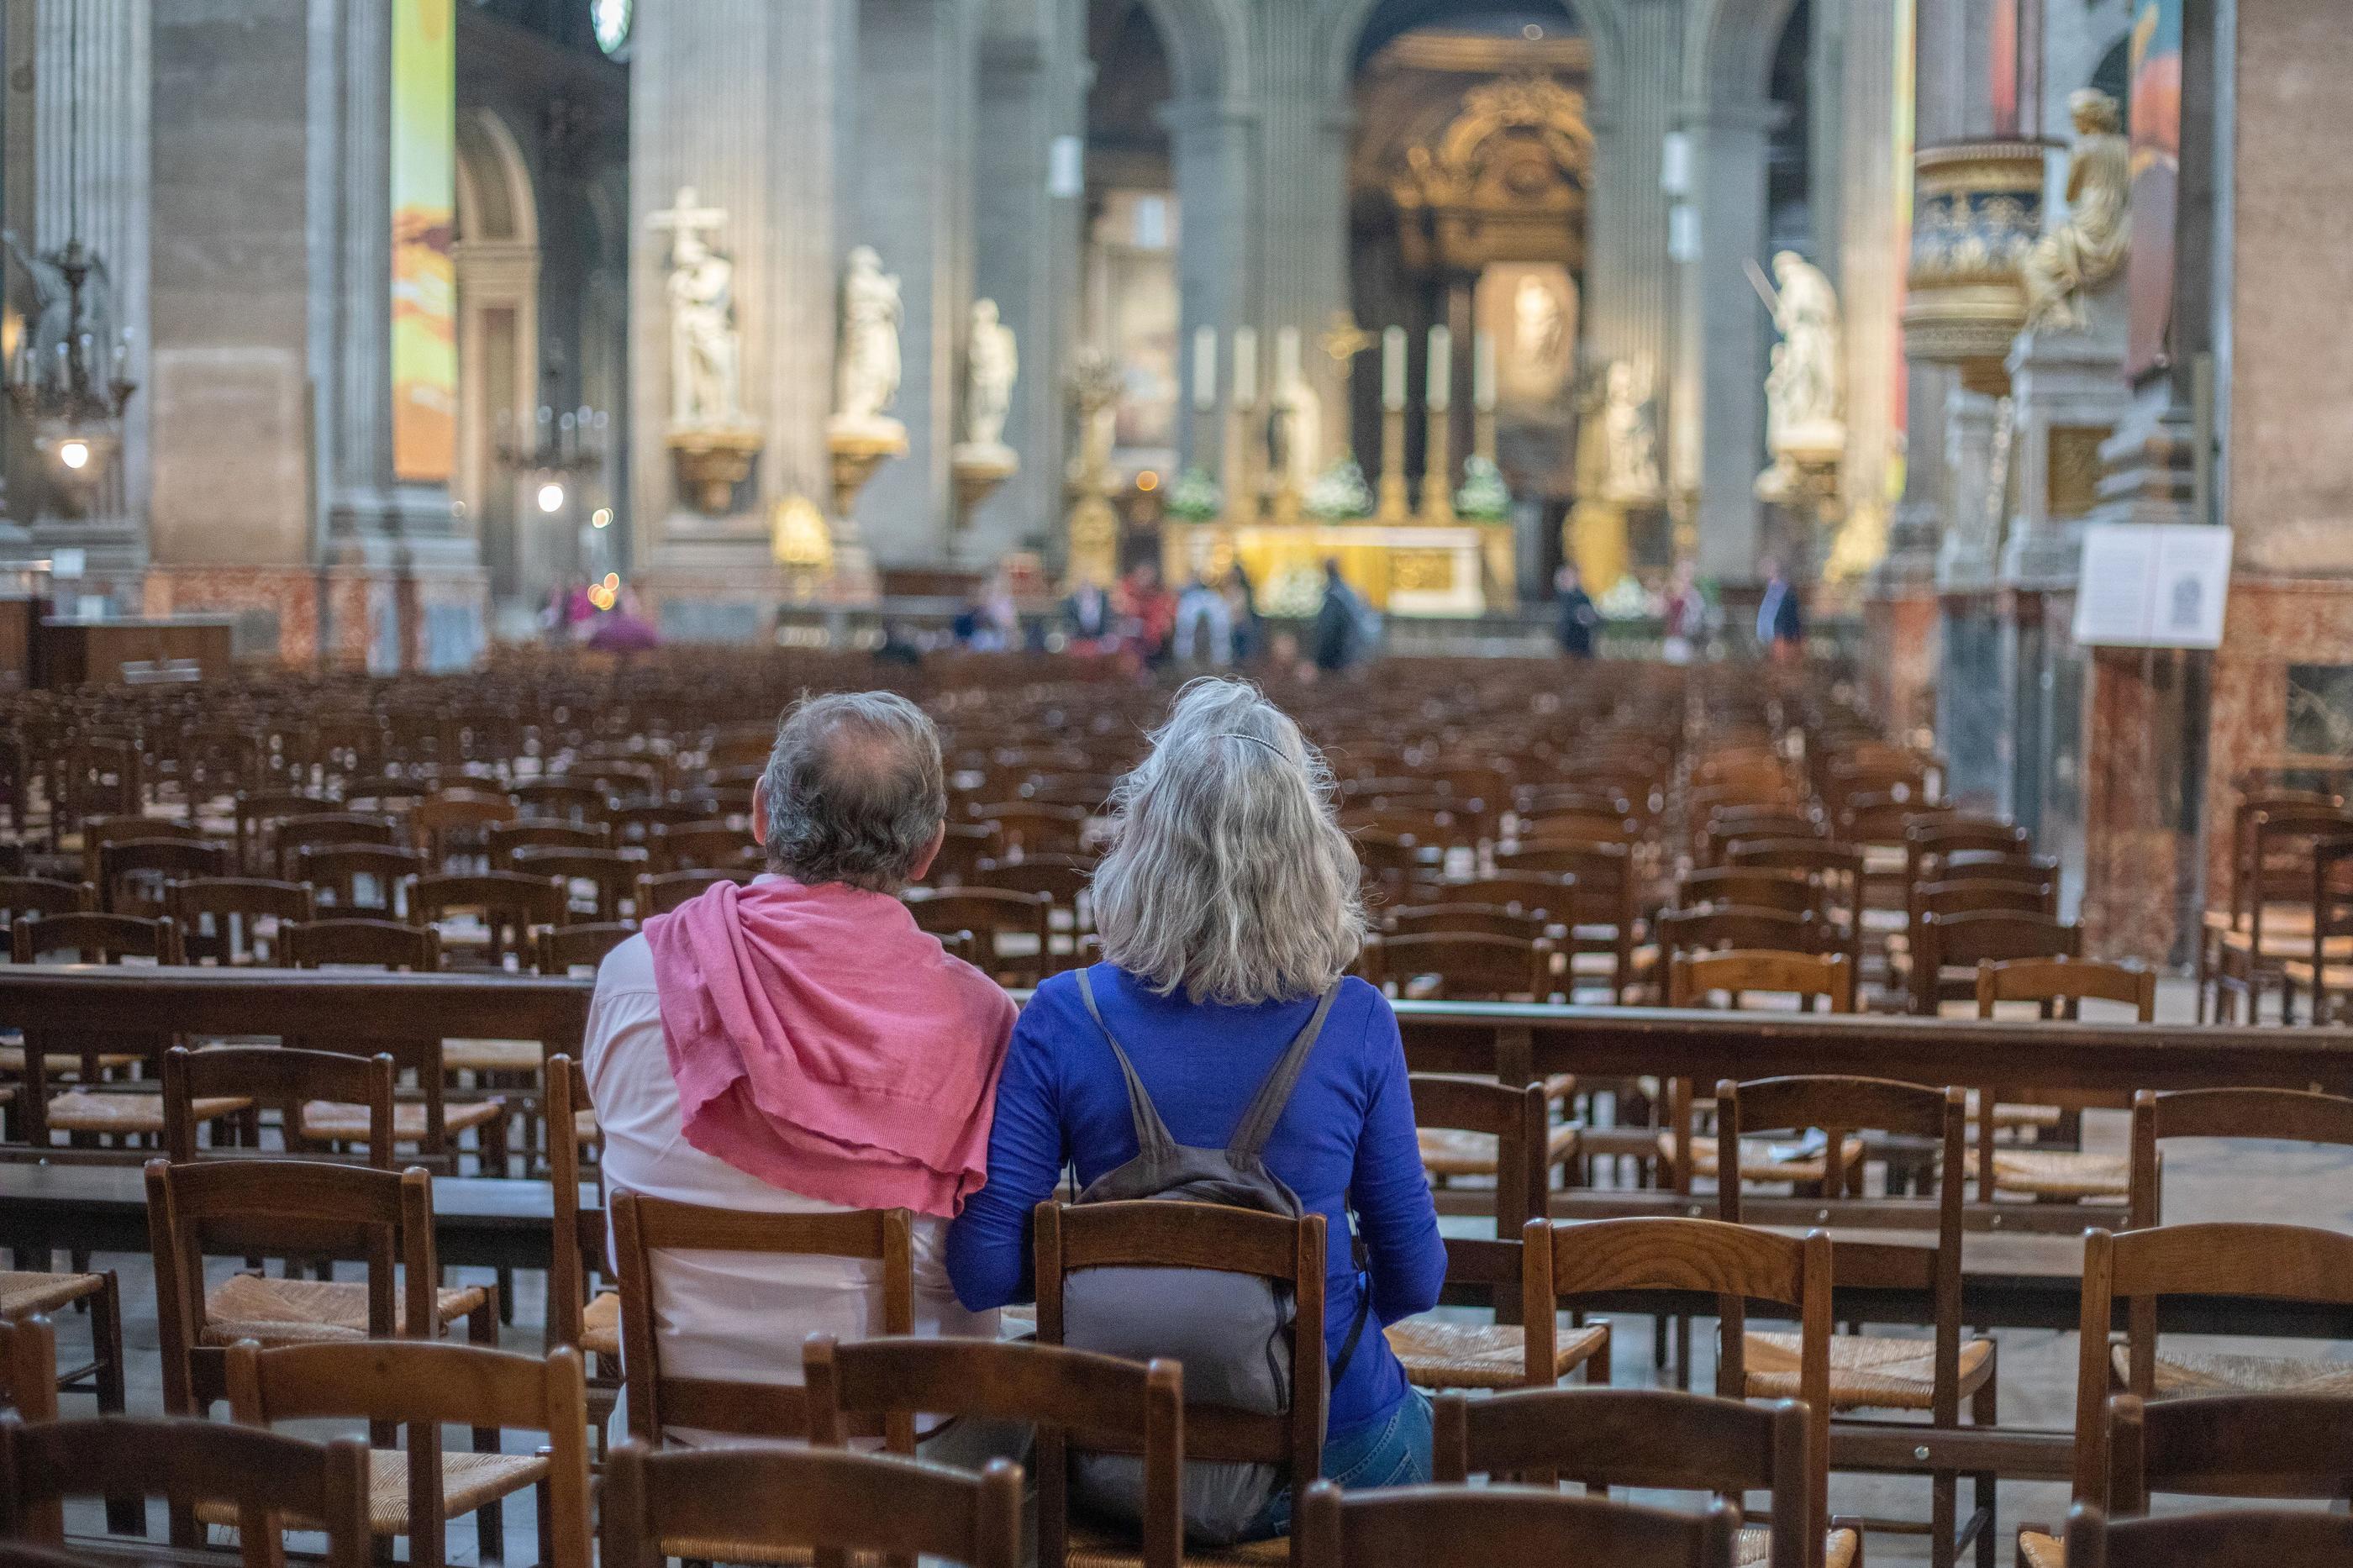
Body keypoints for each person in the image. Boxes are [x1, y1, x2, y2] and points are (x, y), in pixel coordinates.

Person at [948, 678, 1446, 1537]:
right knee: (1439, 1442)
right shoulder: (1354, 1019)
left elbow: (983, 1269)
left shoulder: (1065, 1016)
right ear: (1307, 850)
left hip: (1115, 1446)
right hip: (1328, 1452)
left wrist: (1121, 1285)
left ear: (1143, 841)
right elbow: (1417, 1276)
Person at [584, 692, 1019, 1445]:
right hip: (899, 1437)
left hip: (676, 1425)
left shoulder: (635, 976)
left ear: (761, 814)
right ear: (927, 852)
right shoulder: (979, 1020)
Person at [1171, 571, 1233, 669]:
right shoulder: (1189, 600)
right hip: (1191, 651)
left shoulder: (1215, 599)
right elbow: (1184, 625)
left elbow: (1222, 625)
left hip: (1214, 649)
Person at [1311, 559, 1362, 675]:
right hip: (1345, 656)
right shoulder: (1346, 591)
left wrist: (1318, 661)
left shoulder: (1334, 595)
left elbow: (1328, 630)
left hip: (1335, 660)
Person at [1756, 557, 1803, 662]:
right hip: (1770, 636)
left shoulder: (1787, 593)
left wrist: (1791, 636)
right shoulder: (1769, 592)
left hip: (1783, 637)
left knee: (1784, 664)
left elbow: (1792, 618)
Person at [1553, 562, 1599, 660]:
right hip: (1569, 640)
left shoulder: (1583, 597)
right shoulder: (1564, 597)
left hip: (1582, 641)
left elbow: (1591, 617)